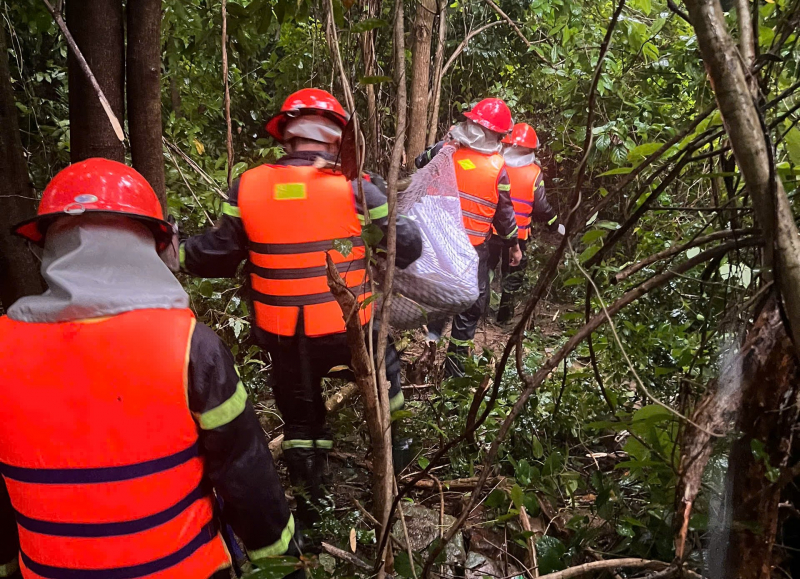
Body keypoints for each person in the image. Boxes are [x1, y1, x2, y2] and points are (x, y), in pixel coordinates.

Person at [0, 159, 299, 579]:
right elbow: (245, 474)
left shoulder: (4, 347)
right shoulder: (191, 345)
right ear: (155, 244)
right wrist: (282, 564)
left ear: (48, 245)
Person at [180, 88, 423, 534]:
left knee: (301, 421)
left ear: (286, 136)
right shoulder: (360, 186)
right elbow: (406, 247)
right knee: (388, 388)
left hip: (283, 334)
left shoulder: (248, 185)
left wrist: (171, 251)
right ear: (337, 139)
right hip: (354, 325)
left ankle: (314, 506)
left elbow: (214, 256)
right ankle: (396, 472)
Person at [415, 98, 521, 376]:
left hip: (437, 247)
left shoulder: (446, 150)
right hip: (471, 252)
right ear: (497, 135)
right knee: (469, 308)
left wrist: (444, 144)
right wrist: (513, 244)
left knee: (439, 296)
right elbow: (504, 215)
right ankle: (454, 374)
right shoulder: (498, 167)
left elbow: (419, 162)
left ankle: (430, 341)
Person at [487, 123, 564, 323]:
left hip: (492, 230)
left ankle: (480, 313)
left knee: (486, 270)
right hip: (518, 236)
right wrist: (555, 225)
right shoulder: (534, 173)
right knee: (511, 276)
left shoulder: (496, 164)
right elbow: (541, 206)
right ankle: (503, 318)